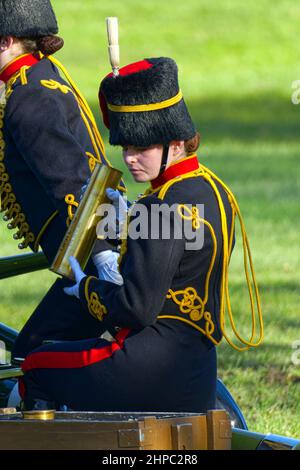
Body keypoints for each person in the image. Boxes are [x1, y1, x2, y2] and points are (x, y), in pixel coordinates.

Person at [19, 57, 263, 412]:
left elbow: (134, 309)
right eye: (126, 148)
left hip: (148, 372)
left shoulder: (158, 206)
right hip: (197, 373)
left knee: (35, 364)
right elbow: (179, 252)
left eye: (141, 148)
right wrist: (131, 222)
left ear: (176, 143)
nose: (130, 159)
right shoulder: (213, 189)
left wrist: (85, 285)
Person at [0, 0, 121, 359]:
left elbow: (71, 182)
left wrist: (102, 258)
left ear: (5, 41)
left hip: (91, 254)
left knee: (31, 357)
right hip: (93, 245)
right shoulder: (41, 74)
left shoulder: (28, 96)